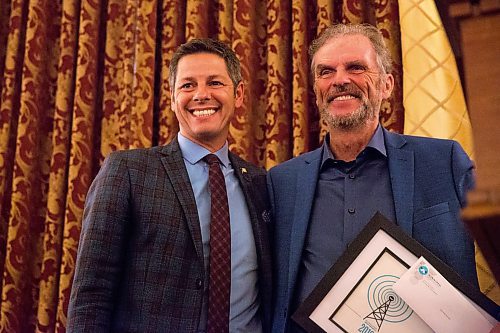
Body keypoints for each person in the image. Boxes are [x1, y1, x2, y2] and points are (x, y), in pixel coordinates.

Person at [268, 23, 477, 332]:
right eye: (326, 72)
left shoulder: (444, 162)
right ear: (315, 91)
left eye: (356, 67)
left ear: (387, 85)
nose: (340, 80)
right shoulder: (282, 183)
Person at [67, 38, 272, 332]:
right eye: (188, 85)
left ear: (238, 94)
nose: (201, 95)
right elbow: (91, 294)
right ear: (173, 98)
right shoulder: (127, 171)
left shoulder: (260, 184)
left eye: (215, 82)